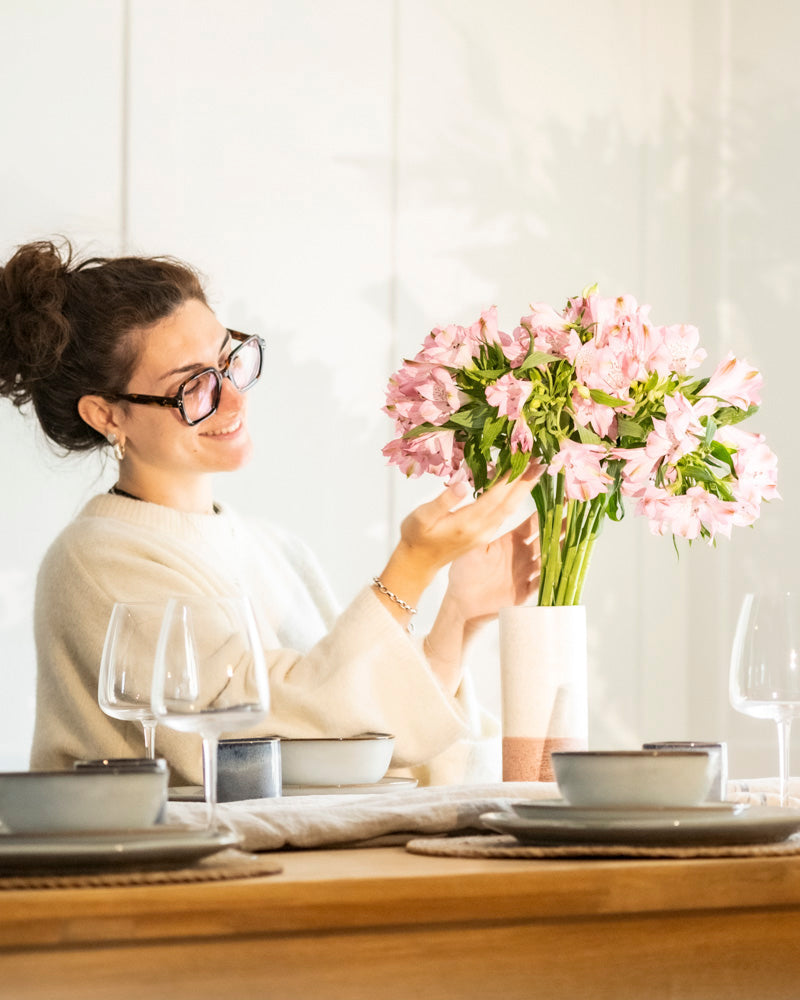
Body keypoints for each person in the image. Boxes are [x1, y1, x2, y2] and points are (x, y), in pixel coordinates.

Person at [0, 239, 542, 786]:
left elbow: (358, 734)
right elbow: (264, 739)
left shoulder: (276, 550)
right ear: (105, 415)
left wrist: (460, 616)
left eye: (228, 362)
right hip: (154, 869)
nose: (233, 399)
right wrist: (413, 566)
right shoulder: (94, 562)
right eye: (193, 386)